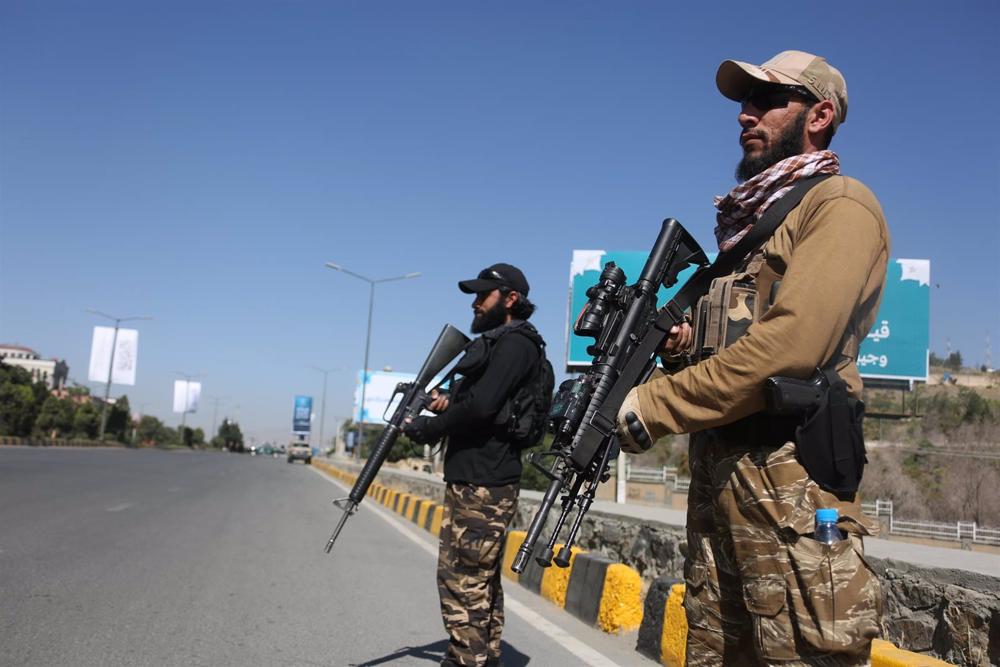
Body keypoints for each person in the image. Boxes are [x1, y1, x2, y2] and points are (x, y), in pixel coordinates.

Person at [617, 51, 889, 665]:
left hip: (789, 489)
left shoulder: (840, 205)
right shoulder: (746, 234)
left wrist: (653, 403)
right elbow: (736, 348)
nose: (746, 115)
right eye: (745, 102)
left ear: (820, 115)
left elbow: (792, 346)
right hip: (723, 484)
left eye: (768, 101)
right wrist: (681, 351)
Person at [404, 263, 549, 667]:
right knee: (479, 579)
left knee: (461, 579)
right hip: (476, 477)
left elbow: (484, 407)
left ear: (510, 299)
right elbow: (483, 403)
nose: (475, 302)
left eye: (483, 295)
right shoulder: (502, 343)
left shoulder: (516, 344)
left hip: (485, 481)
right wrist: (447, 404)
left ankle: (467, 659)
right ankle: (483, 656)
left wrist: (432, 428)